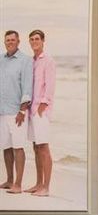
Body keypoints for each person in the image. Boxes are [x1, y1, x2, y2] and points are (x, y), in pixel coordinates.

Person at [0, 30, 32, 194]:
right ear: (4, 42)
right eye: (7, 40)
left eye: (13, 40)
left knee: (18, 147)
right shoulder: (1, 60)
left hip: (17, 111)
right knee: (6, 147)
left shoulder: (25, 61)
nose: (10, 42)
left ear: (18, 41)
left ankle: (18, 184)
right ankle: (9, 180)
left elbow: (27, 86)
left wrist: (22, 110)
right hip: (2, 111)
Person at [25, 29, 55, 196]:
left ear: (43, 41)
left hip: (41, 110)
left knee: (43, 147)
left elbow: (50, 85)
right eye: (31, 39)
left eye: (37, 39)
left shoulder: (48, 60)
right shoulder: (31, 62)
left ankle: (46, 187)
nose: (34, 41)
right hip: (31, 110)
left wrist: (44, 104)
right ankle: (38, 184)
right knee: (36, 147)